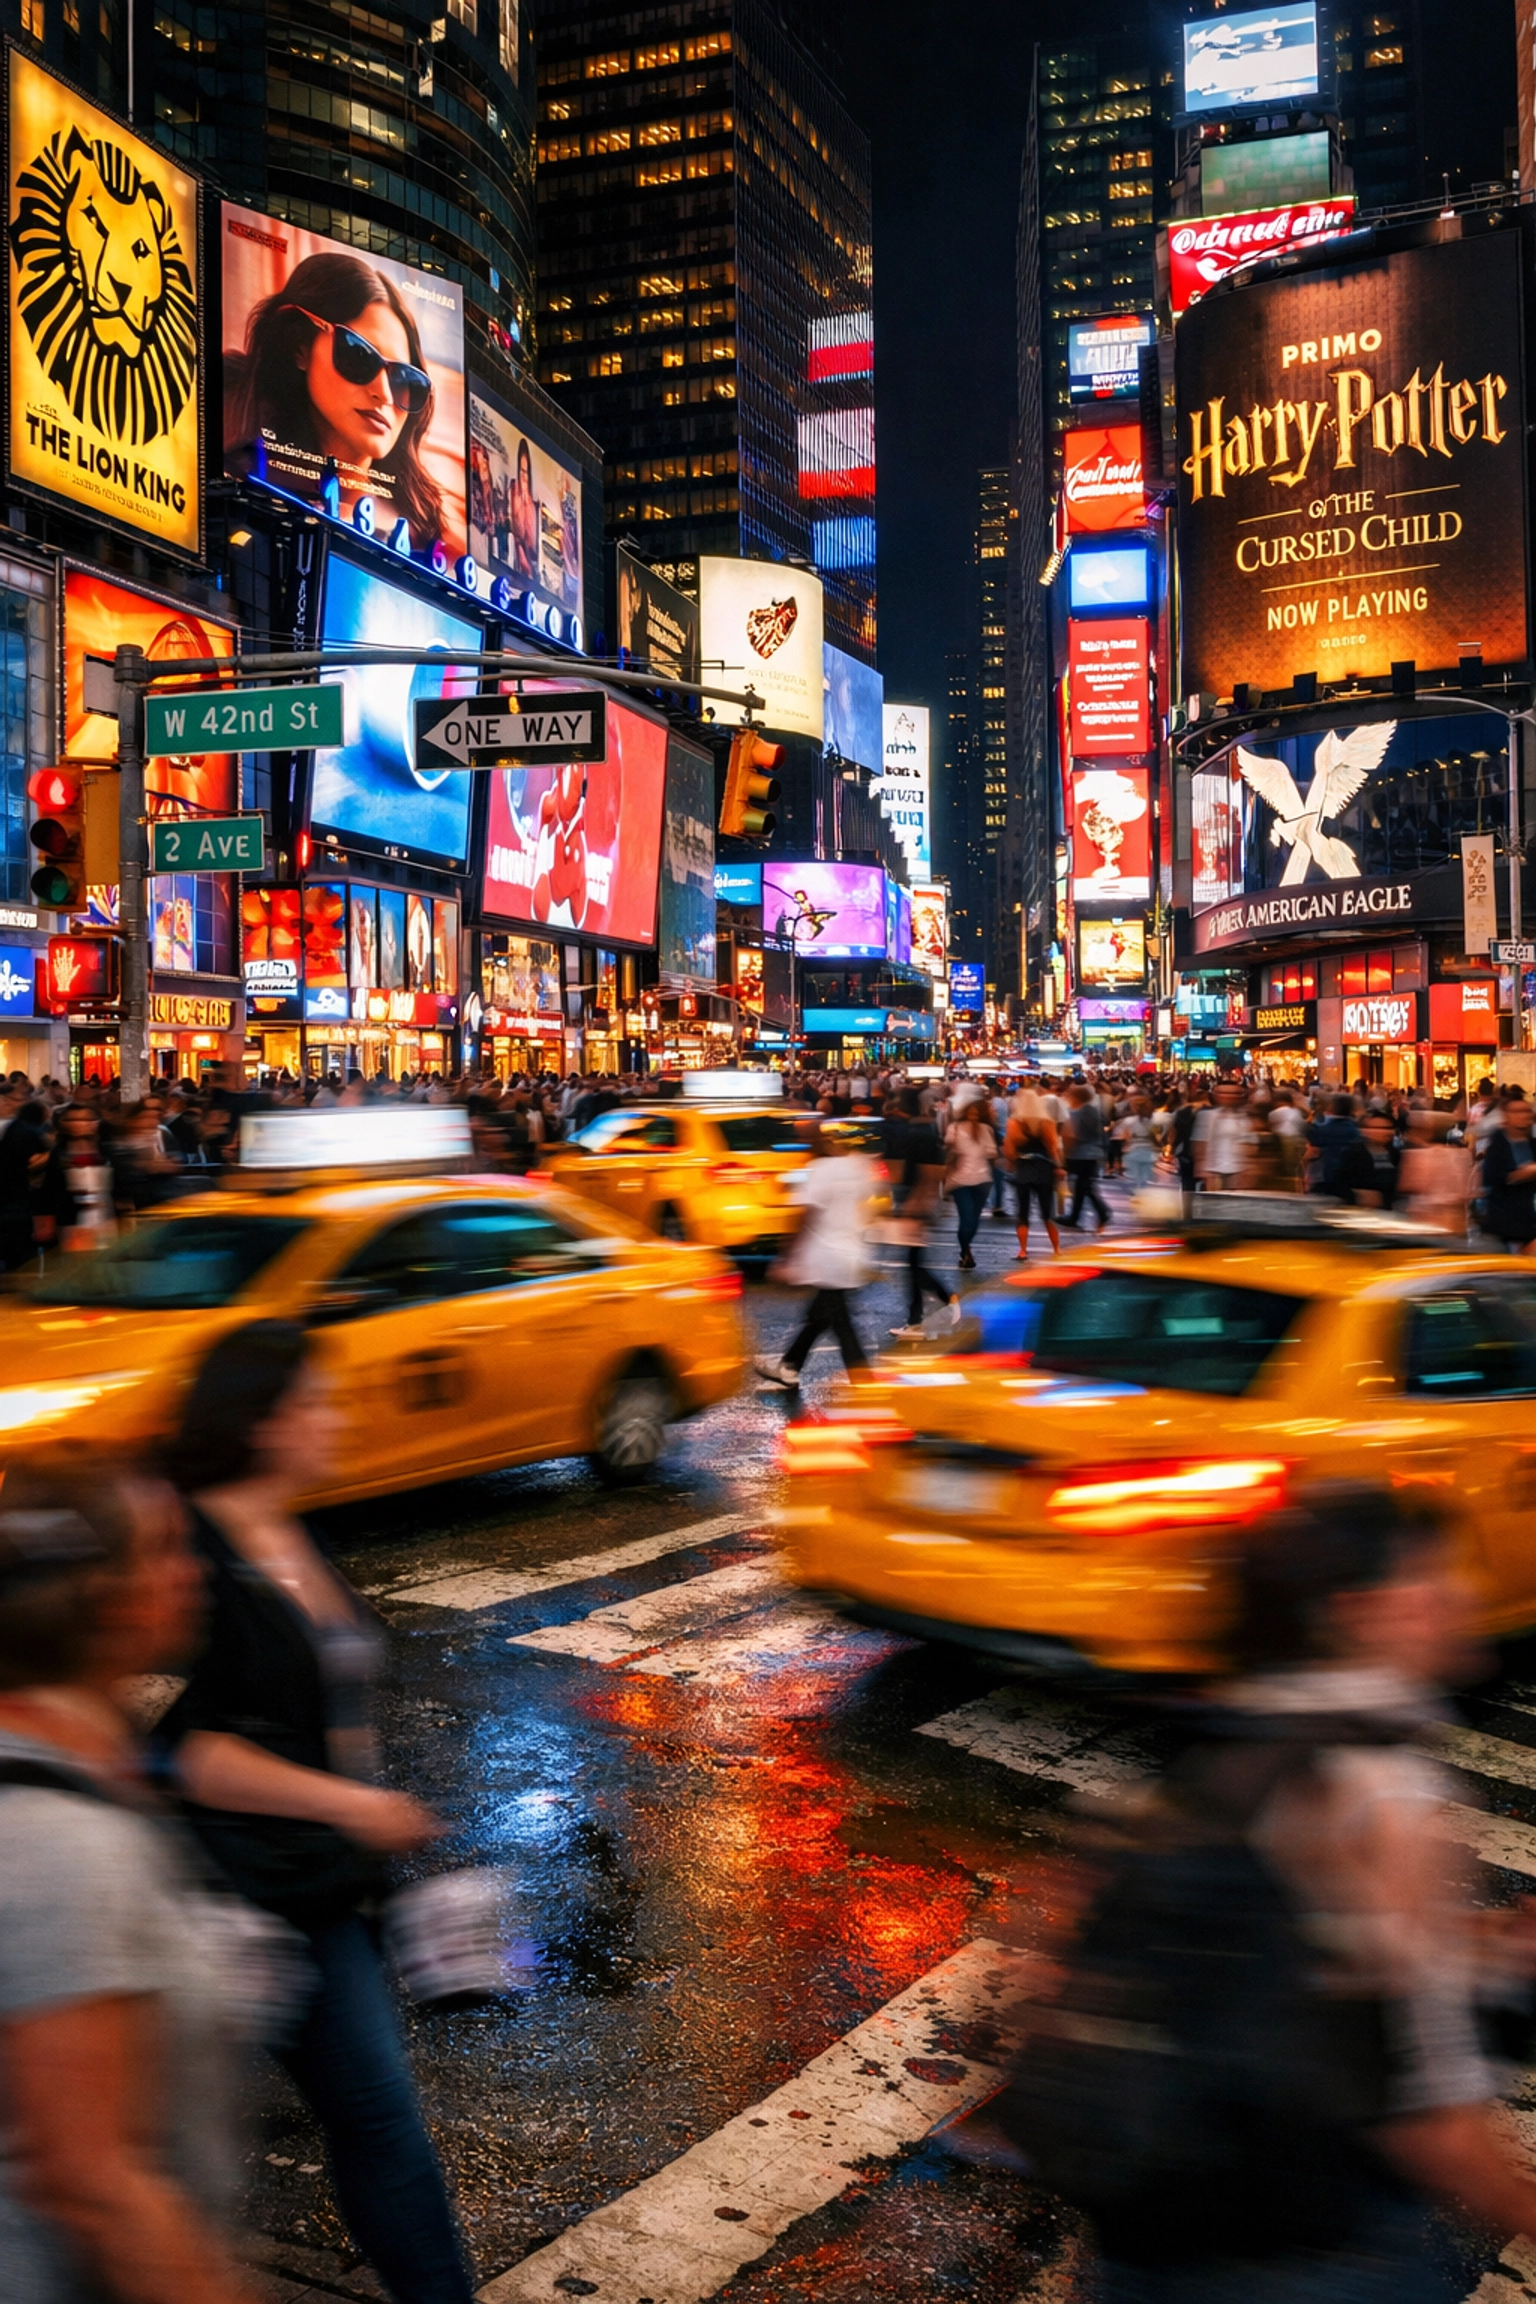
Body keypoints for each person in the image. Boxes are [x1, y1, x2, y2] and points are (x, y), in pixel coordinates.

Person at [1004, 1483, 1536, 2303]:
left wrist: (1485, 1953)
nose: (1461, 1594)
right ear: (1361, 1613)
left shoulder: (1229, 1739)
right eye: (1433, 1574)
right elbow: (1421, 2105)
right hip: (1312, 2255)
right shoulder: (1380, 1791)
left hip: (1154, 2238)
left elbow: (1270, 1955)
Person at [155, 1323, 476, 2304]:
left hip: (323, 1888)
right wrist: (352, 1805)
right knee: (173, 2144)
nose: (337, 1417)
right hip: (221, 1898)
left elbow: (330, 1702)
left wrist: (380, 1853)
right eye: (318, 1401)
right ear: (261, 1422)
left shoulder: (293, 1528)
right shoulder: (180, 1551)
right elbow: (176, 1744)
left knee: (375, 2121)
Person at [0, 1461, 256, 2304]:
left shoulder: (75, 1763)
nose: (193, 1571)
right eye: (165, 1552)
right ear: (112, 1603)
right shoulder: (58, 1839)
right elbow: (95, 2186)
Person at [225, 252, 444, 549]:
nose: (385, 393)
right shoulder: (240, 465)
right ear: (300, 347)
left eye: (405, 380)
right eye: (359, 355)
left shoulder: (422, 531)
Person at [755, 1123, 877, 1388]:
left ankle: (864, 1381)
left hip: (827, 1255)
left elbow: (805, 1214)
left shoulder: (819, 1170)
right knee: (821, 1316)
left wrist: (787, 1256)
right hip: (852, 1251)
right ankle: (789, 1367)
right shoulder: (857, 1166)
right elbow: (870, 1202)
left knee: (840, 1322)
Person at [889, 1087, 956, 1340]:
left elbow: (930, 1172)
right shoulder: (923, 1132)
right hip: (916, 1206)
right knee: (913, 1266)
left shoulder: (919, 1134)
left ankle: (947, 1299)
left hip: (915, 1208)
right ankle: (916, 1320)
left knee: (914, 1268)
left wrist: (914, 1206)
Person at [1004, 1090, 1062, 1262]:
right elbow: (1053, 1148)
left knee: (1023, 1212)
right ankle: (1056, 1249)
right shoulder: (1047, 1122)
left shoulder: (1014, 1123)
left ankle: (1022, 1250)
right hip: (1044, 1169)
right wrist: (1058, 1166)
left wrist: (1012, 1162)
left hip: (1023, 1169)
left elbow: (1009, 1149)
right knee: (1047, 1213)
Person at [944, 1098, 996, 1271]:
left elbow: (992, 1152)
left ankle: (966, 1250)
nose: (973, 1116)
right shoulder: (955, 1128)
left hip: (982, 1179)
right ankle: (965, 1251)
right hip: (960, 1179)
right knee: (966, 1217)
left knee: (974, 1218)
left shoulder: (986, 1129)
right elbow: (948, 1144)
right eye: (970, 1112)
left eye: (976, 1113)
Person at [1479, 1094, 1536, 1252]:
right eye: (1517, 1111)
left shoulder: (1532, 1145)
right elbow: (1490, 1179)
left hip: (1529, 1222)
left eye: (1526, 1111)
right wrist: (1521, 1174)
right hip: (1505, 1225)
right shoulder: (1497, 1146)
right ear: (1506, 1116)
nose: (1523, 1115)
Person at [1061, 1084, 1110, 1232]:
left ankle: (1102, 1212)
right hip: (1093, 1153)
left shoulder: (1078, 1113)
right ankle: (1075, 1216)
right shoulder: (1093, 1110)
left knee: (1083, 1186)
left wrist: (1065, 1154)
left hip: (1080, 1154)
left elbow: (1072, 1135)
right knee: (1082, 1186)